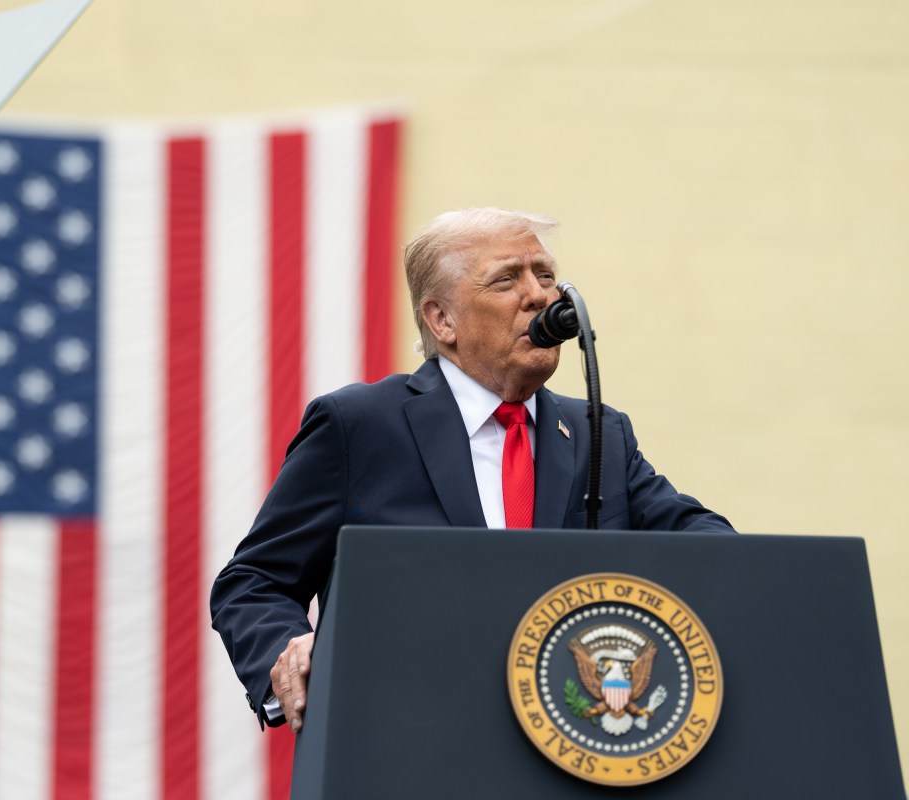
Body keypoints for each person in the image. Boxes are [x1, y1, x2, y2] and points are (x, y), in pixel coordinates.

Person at [209, 208, 734, 734]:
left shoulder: (600, 433)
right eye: (507, 279)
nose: (539, 296)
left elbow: (711, 547)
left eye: (545, 275)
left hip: (574, 741)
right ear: (443, 320)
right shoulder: (361, 426)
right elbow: (254, 581)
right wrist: (289, 652)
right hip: (410, 737)